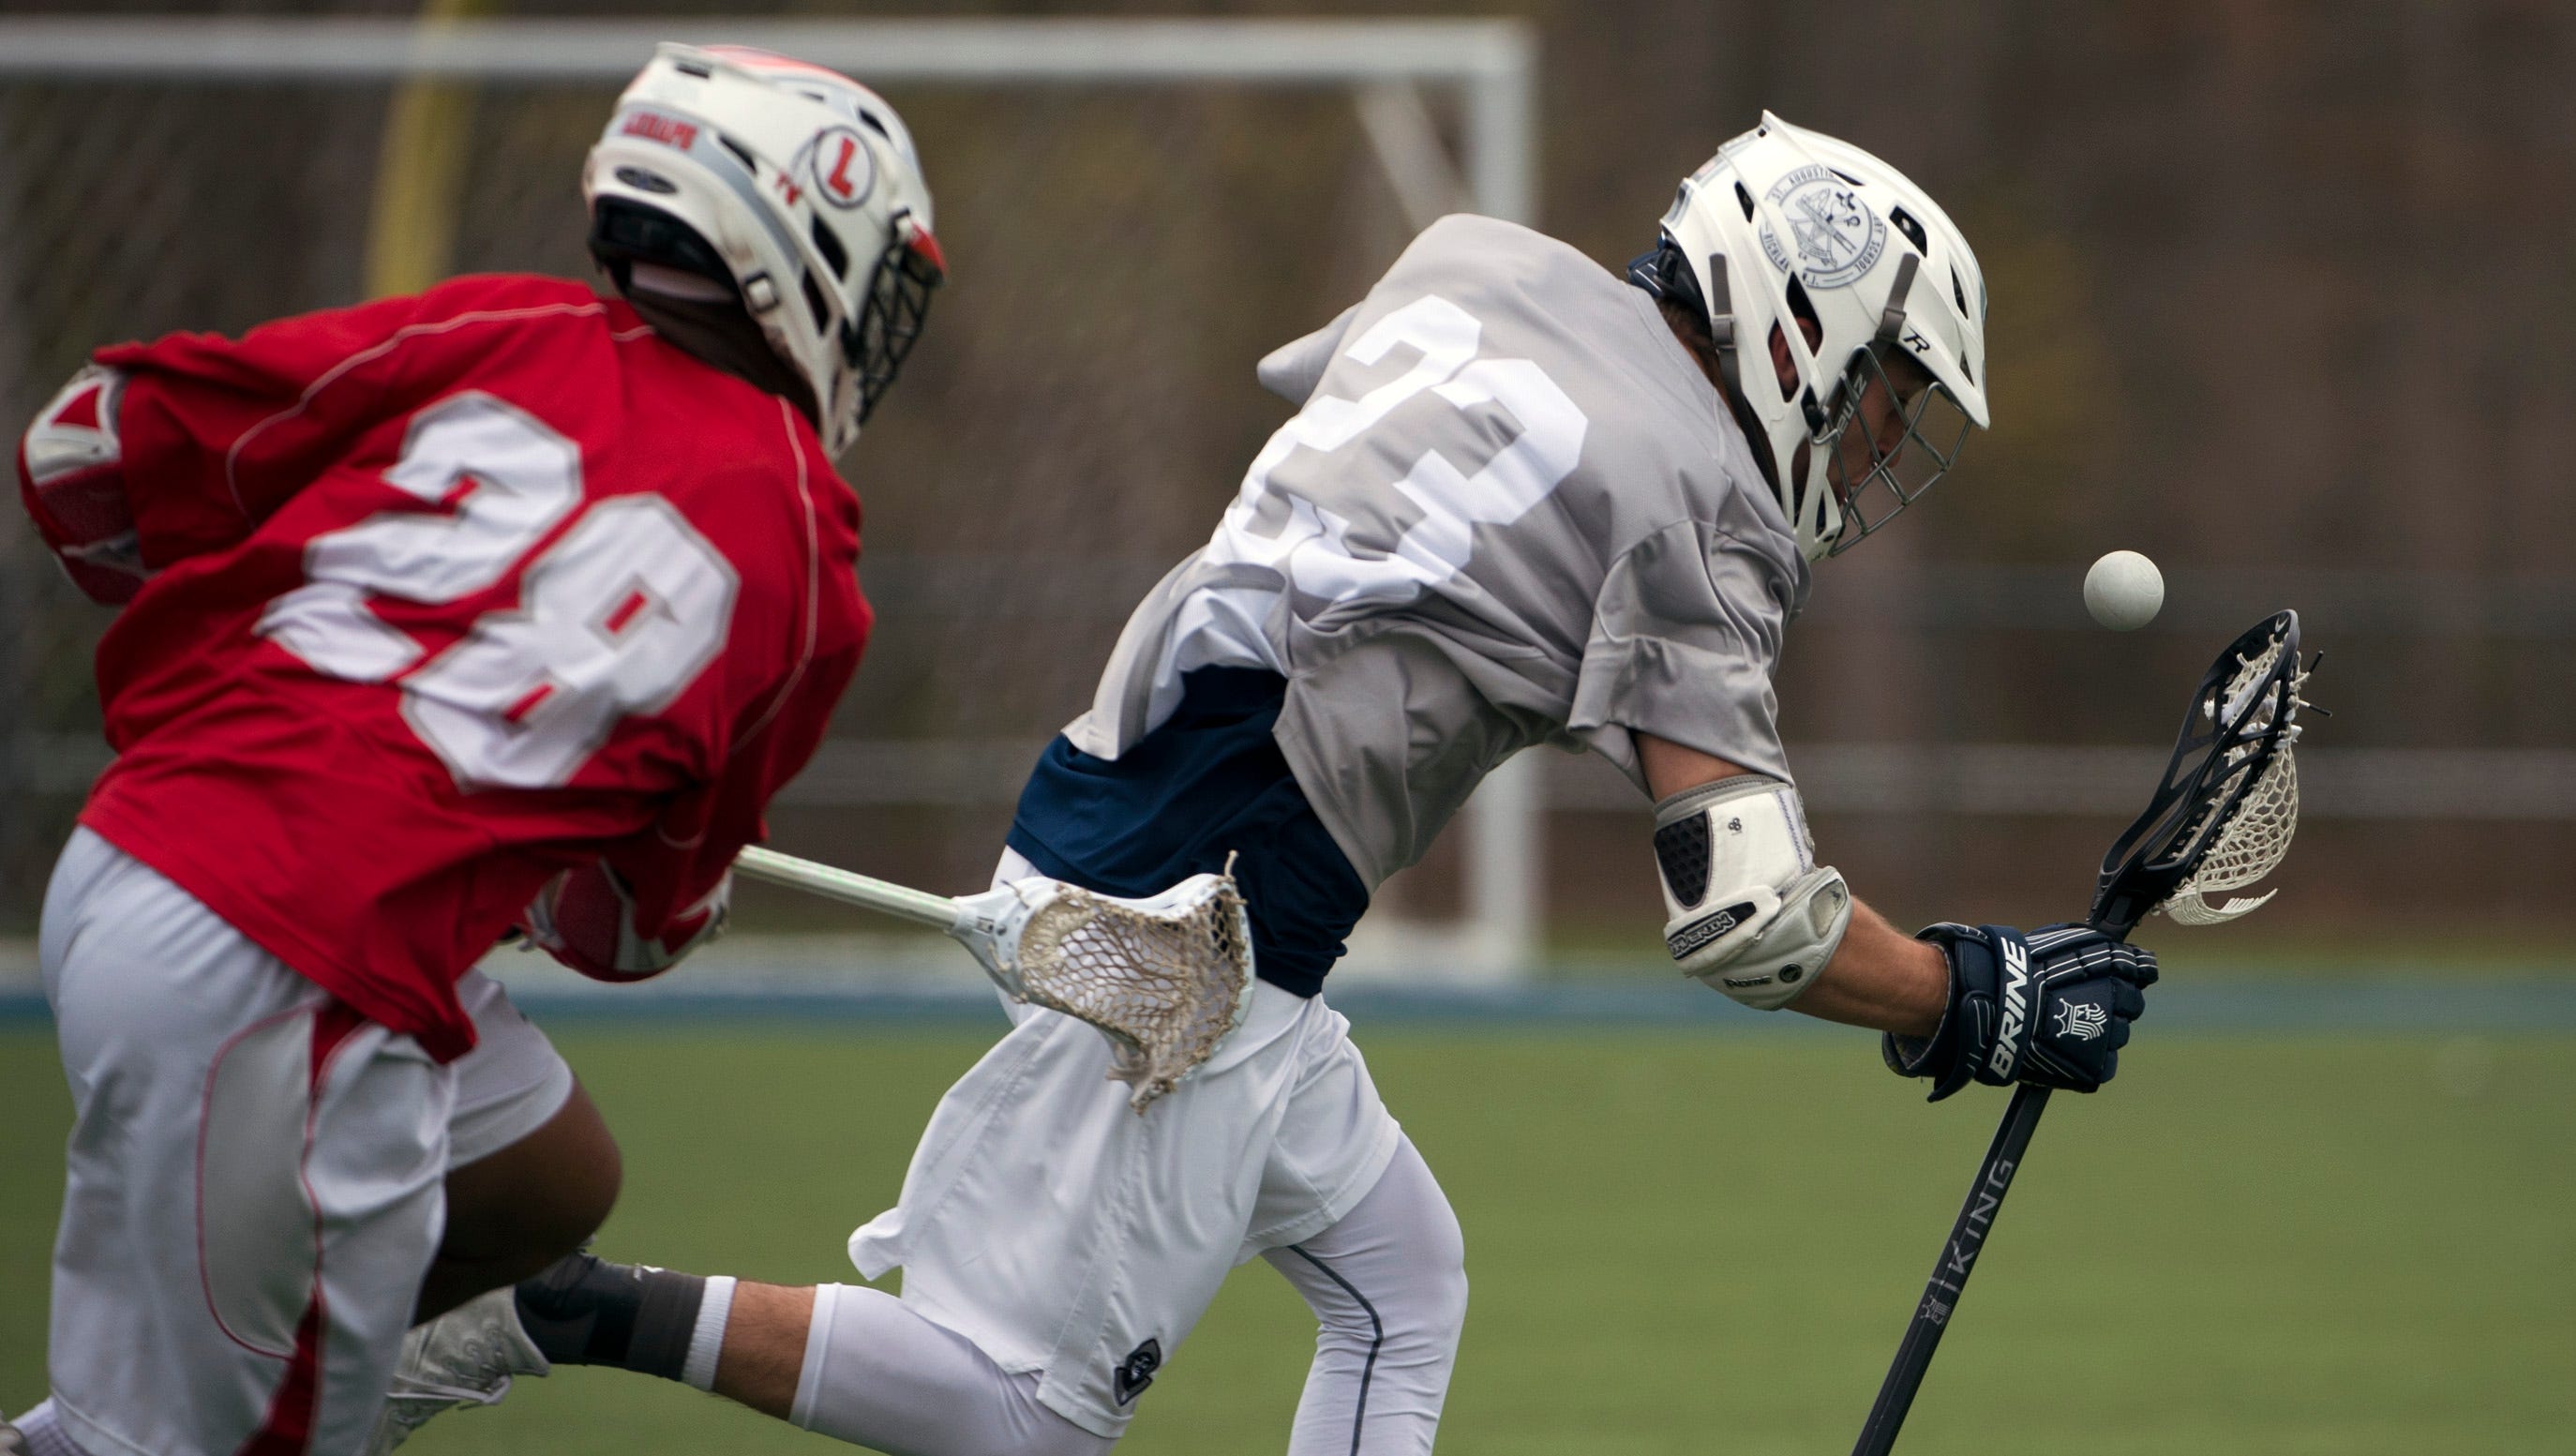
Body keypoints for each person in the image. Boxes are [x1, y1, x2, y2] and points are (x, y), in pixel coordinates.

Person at [390, 113, 2156, 1455]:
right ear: (1797, 319)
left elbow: (1325, 408)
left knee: (1401, 1282)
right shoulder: (1700, 505)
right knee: (1023, 1411)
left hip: (1132, 791)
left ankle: (556, 1304)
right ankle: (554, 1308)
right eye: (1874, 401)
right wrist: (1968, 994)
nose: (1865, 453)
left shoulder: (1470, 257)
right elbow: (1753, 920)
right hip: (1210, 916)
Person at [0, 43, 942, 1456]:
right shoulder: (811, 554)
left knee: (545, 1174)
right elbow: (622, 934)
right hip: (292, 971)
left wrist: (287, 635)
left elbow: (82, 449)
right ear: (809, 247)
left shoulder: (505, 327)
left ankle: (257, 1363)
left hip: (132, 860)